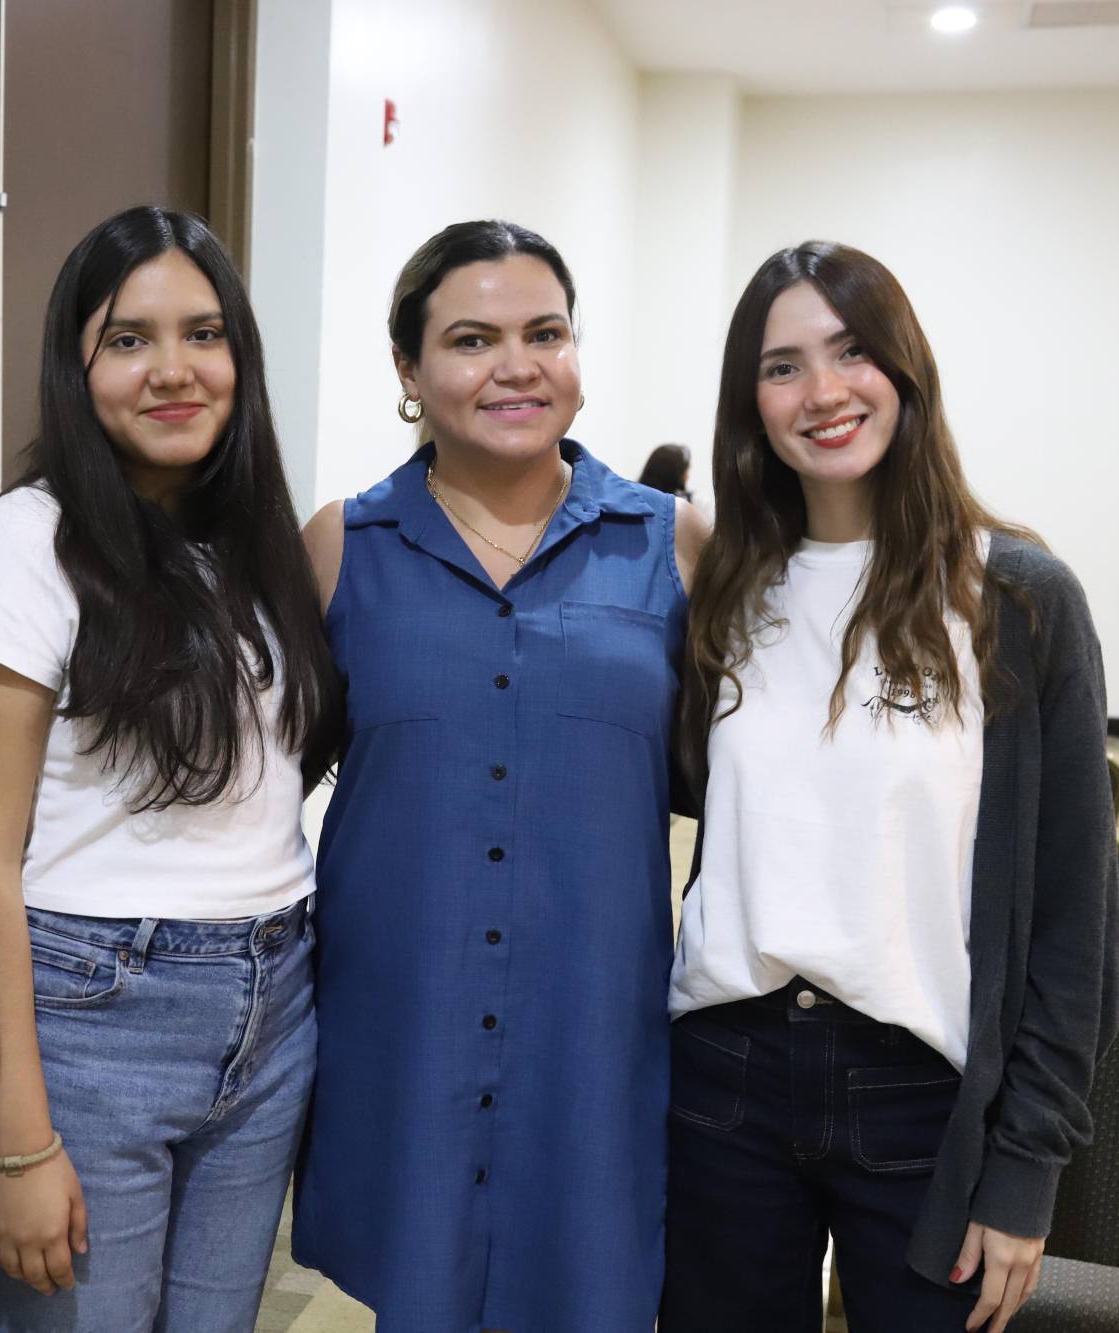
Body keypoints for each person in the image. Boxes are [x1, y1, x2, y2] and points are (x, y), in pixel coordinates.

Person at [663, 241, 1119, 1333]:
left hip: (923, 1095)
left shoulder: (1013, 597)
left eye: (852, 351)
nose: (821, 391)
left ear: (904, 369)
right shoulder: (723, 590)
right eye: (781, 366)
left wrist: (1024, 1169)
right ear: (749, 402)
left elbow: (1074, 918)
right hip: (722, 1075)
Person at [0, 205, 340, 1333]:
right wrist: (14, 1133)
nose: (173, 370)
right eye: (127, 340)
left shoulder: (251, 551)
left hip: (269, 1002)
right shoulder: (24, 544)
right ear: (75, 365)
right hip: (90, 1011)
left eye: (203, 335)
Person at [292, 219, 710, 1332]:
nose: (516, 365)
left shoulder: (669, 544)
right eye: (472, 339)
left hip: (592, 1027)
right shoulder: (343, 544)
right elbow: (271, 772)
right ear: (408, 371)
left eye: (546, 332)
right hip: (404, 1025)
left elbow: (734, 789)